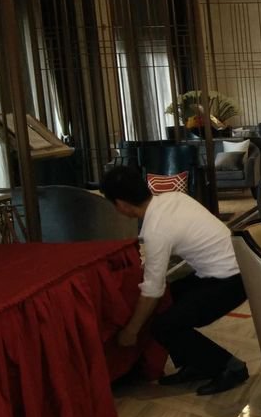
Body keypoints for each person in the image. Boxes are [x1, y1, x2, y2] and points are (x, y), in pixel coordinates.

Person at [99, 166, 249, 396]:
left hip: (230, 282)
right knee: (167, 301)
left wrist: (131, 331)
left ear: (121, 204)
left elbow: (152, 291)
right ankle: (195, 363)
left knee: (163, 325)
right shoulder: (173, 198)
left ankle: (229, 367)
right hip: (228, 271)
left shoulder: (156, 230)